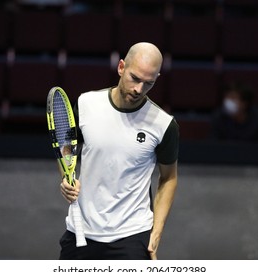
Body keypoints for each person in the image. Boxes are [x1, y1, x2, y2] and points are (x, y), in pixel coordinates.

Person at [59, 42, 179, 260]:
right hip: (80, 232)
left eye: (148, 83)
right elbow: (67, 149)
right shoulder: (86, 104)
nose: (139, 90)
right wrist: (66, 178)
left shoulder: (164, 124)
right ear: (121, 67)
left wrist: (157, 231)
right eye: (135, 78)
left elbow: (169, 178)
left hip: (132, 235)